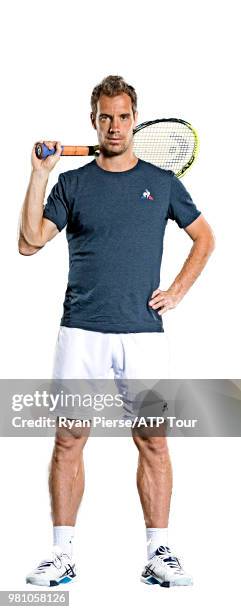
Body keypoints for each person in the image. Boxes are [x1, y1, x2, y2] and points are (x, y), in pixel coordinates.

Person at [18, 75, 215, 588]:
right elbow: (29, 241)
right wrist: (40, 175)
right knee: (69, 438)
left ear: (135, 119)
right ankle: (62, 555)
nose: (114, 126)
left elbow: (204, 238)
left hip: (142, 334)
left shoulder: (162, 181)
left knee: (153, 440)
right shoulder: (73, 183)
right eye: (105, 117)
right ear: (94, 120)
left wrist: (177, 291)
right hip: (81, 331)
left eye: (123, 116)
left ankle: (159, 553)